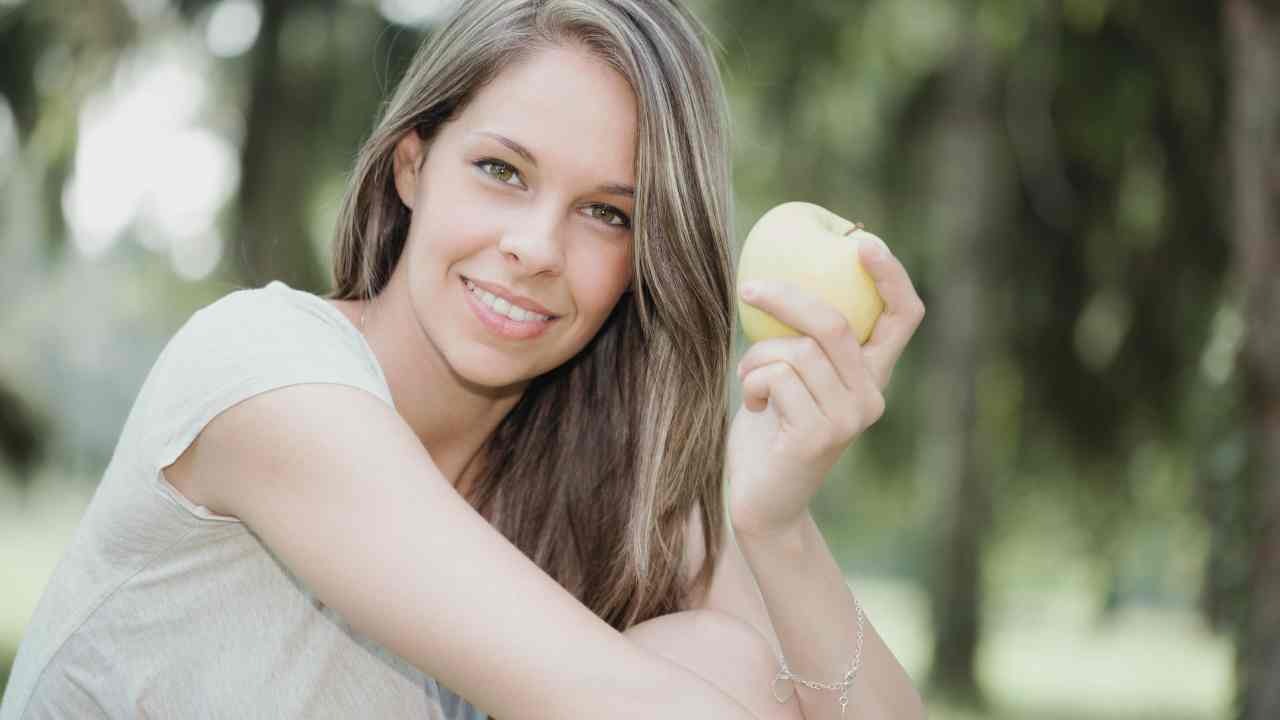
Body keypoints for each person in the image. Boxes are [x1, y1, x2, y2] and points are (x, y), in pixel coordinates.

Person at [0, 0, 927, 718]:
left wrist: (776, 527)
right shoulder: (264, 373)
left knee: (723, 660)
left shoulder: (605, 481)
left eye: (606, 212)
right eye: (502, 171)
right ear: (412, 165)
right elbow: (621, 705)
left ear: (642, 260)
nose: (535, 247)